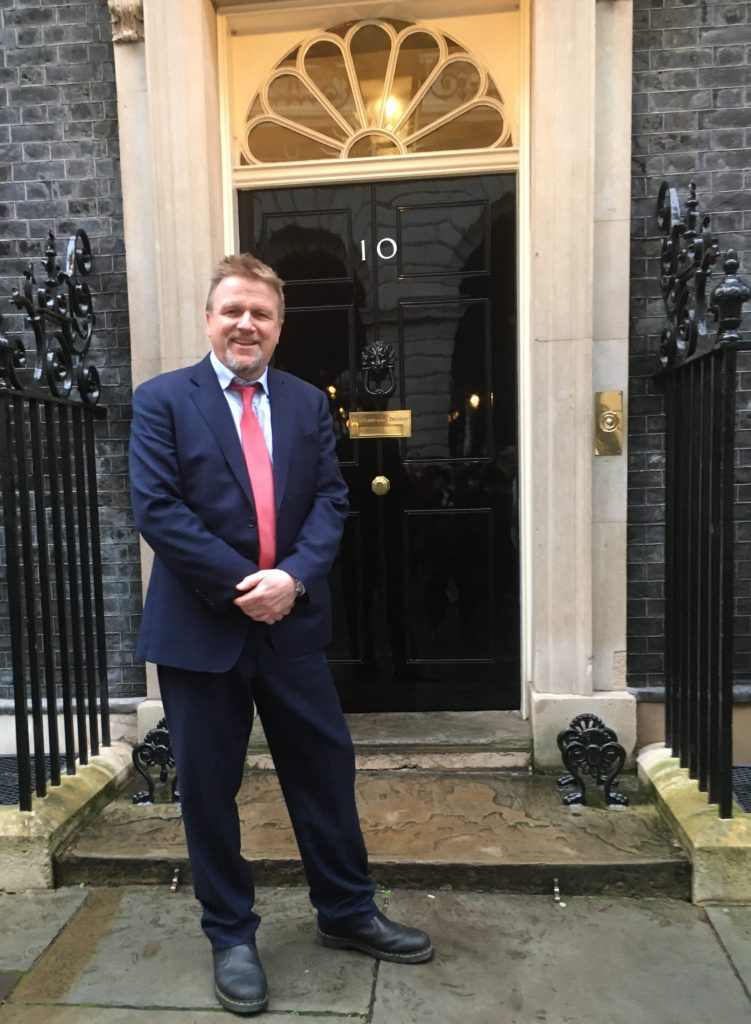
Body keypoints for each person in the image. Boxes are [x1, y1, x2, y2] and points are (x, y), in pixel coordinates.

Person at [129, 254, 433, 1016]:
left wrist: (290, 580)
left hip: (292, 625)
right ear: (209, 319)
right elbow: (158, 510)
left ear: (279, 327)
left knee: (324, 772)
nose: (245, 324)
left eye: (260, 314)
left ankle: (347, 912)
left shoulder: (304, 403)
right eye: (232, 309)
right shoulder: (163, 400)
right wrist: (244, 587)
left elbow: (332, 500)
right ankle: (231, 935)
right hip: (201, 630)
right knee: (207, 791)